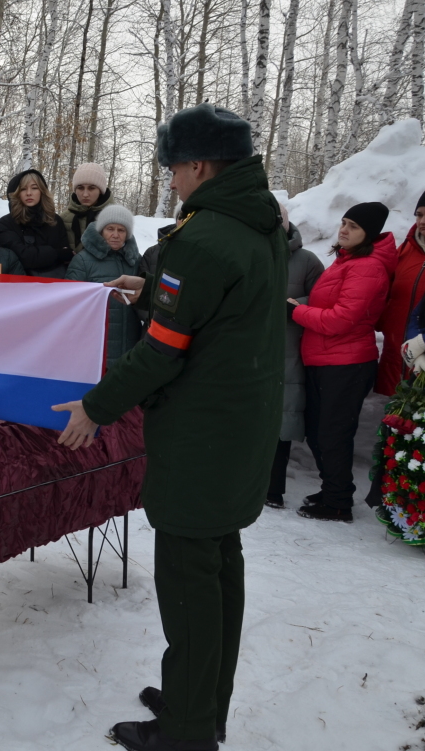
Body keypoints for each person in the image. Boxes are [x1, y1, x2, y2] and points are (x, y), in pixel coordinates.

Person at [53, 104, 286, 751]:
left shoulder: (203, 237)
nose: (171, 182)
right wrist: (154, 285)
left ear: (201, 164)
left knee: (187, 585)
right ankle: (203, 699)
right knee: (221, 570)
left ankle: (186, 731)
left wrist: (93, 407)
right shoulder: (259, 220)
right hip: (241, 429)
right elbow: (221, 311)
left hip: (200, 438)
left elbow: (161, 350)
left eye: (175, 169)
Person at [290, 202, 395, 522]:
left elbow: (341, 320)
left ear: (370, 234)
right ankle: (333, 489)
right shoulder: (347, 260)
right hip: (327, 360)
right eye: (344, 222)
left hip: (346, 363)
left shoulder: (368, 266)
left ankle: (338, 501)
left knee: (332, 433)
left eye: (354, 226)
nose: (344, 230)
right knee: (321, 432)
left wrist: (296, 310)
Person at [267, 204, 323, 509]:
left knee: (282, 419)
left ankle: (273, 490)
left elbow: (324, 297)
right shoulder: (251, 253)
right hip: (252, 349)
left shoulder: (307, 261)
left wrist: (294, 303)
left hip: (289, 348)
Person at [374, 188, 425, 395]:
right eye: (419, 214)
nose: (423, 220)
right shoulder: (405, 250)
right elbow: (384, 291)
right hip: (396, 353)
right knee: (396, 416)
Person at [65, 205, 142, 367]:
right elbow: (72, 304)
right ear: (101, 231)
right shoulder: (83, 261)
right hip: (95, 347)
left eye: (121, 230)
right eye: (110, 229)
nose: (115, 235)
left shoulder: (135, 260)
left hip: (130, 346)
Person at [0, 169, 73, 278]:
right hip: (19, 286)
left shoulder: (55, 221)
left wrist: (59, 255)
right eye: (23, 189)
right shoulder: (6, 224)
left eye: (34, 188)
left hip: (54, 287)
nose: (29, 193)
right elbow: (23, 257)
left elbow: (66, 257)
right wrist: (56, 254)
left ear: (42, 191)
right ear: (16, 193)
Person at [61, 161, 117, 251]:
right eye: (80, 188)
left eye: (91, 188)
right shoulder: (63, 218)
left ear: (101, 190)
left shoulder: (115, 218)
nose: (85, 194)